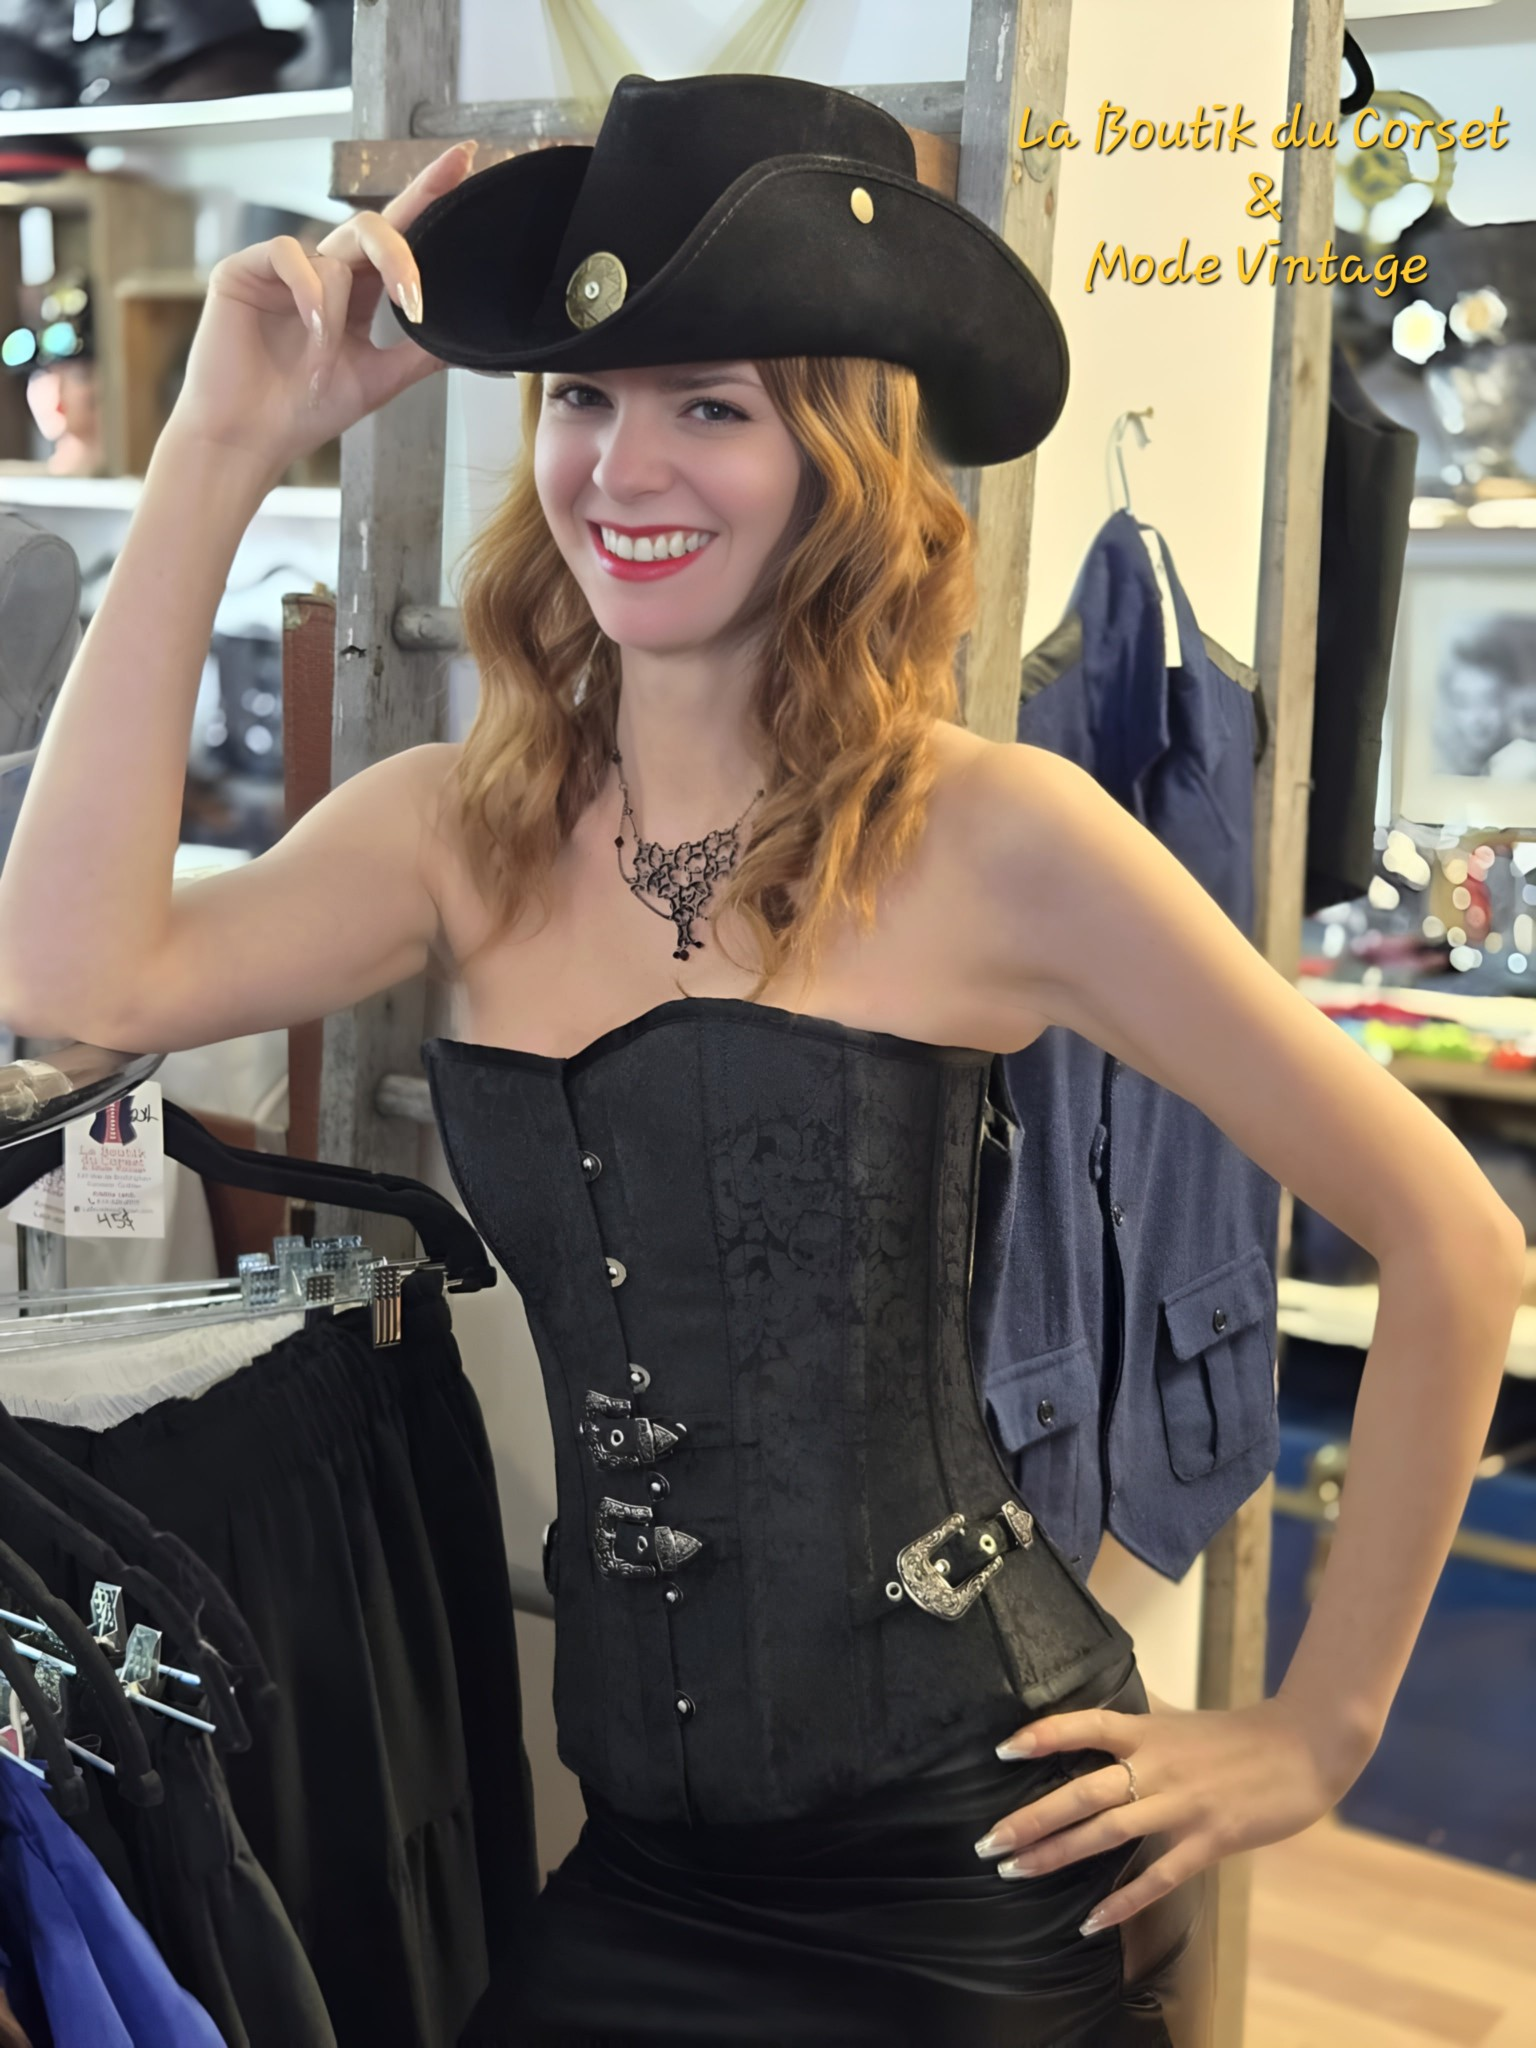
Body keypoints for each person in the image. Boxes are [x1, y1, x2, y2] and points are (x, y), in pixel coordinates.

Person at [0, 71, 1524, 2048]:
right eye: (582, 397)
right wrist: (219, 444)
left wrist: (1318, 1732)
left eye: (710, 406)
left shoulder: (988, 838)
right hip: (639, 1863)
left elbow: (1453, 1240)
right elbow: (68, 982)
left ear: (837, 451)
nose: (623, 467)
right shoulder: (457, 833)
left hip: (958, 1864)